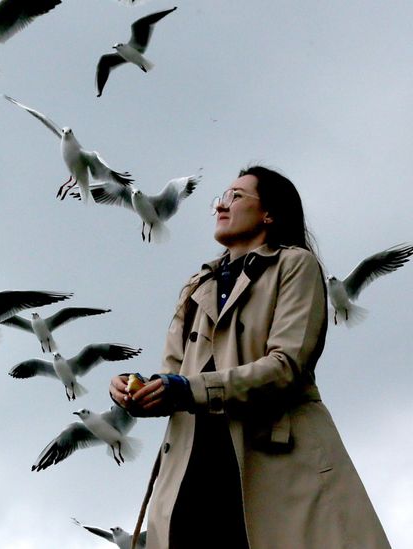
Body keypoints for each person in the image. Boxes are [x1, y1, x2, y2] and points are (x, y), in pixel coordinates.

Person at [109, 166, 391, 548]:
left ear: (269, 214)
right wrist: (135, 391)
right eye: (221, 198)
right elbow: (171, 375)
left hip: (271, 464)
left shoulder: (295, 265)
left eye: (236, 196)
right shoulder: (197, 284)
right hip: (193, 473)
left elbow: (286, 366)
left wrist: (184, 389)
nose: (222, 206)